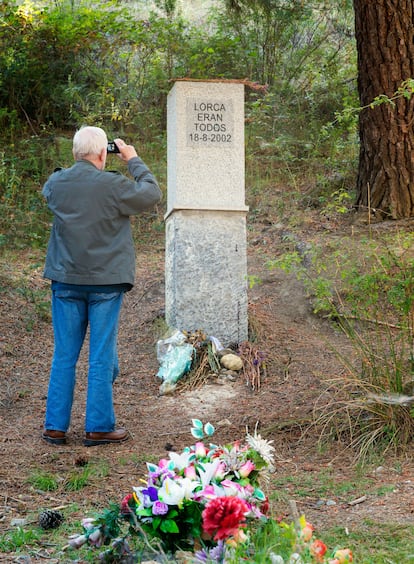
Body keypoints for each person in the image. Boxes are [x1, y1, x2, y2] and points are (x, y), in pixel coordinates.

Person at [42, 126, 162, 447]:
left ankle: (55, 426)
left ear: (75, 153)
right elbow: (151, 193)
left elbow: (52, 188)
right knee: (100, 355)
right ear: (102, 154)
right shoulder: (113, 185)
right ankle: (98, 426)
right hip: (106, 283)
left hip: (65, 281)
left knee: (64, 354)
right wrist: (133, 159)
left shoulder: (57, 183)